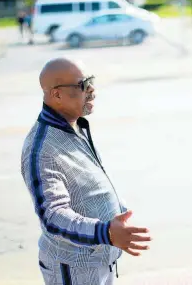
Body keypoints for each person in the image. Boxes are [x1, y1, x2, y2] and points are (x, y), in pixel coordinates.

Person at [21, 58, 152, 285]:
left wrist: (116, 214)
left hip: (98, 259)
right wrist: (105, 232)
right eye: (82, 85)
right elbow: (53, 217)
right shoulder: (42, 149)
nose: (91, 90)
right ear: (57, 95)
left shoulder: (74, 125)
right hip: (73, 269)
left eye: (91, 81)